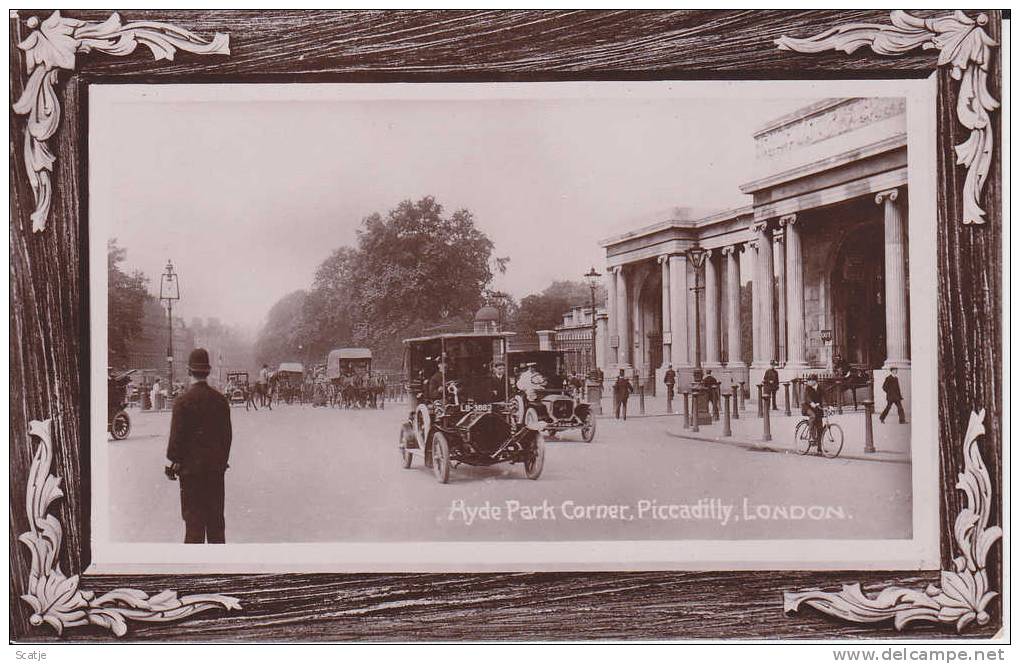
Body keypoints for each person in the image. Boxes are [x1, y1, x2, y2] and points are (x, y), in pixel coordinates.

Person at [165, 348, 232, 544]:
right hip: (214, 472)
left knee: (193, 528)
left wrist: (174, 463)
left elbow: (175, 443)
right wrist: (220, 462)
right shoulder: (221, 401)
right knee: (216, 527)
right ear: (208, 371)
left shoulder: (182, 402)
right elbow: (227, 438)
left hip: (190, 475)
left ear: (189, 371)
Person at [801, 374, 824, 448]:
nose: (808, 382)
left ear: (815, 381)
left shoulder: (820, 388)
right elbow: (807, 397)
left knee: (820, 426)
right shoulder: (807, 388)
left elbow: (825, 397)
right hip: (807, 407)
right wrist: (811, 403)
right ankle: (811, 436)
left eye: (810, 380)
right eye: (808, 380)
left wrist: (829, 405)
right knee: (813, 416)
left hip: (817, 408)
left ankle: (820, 448)